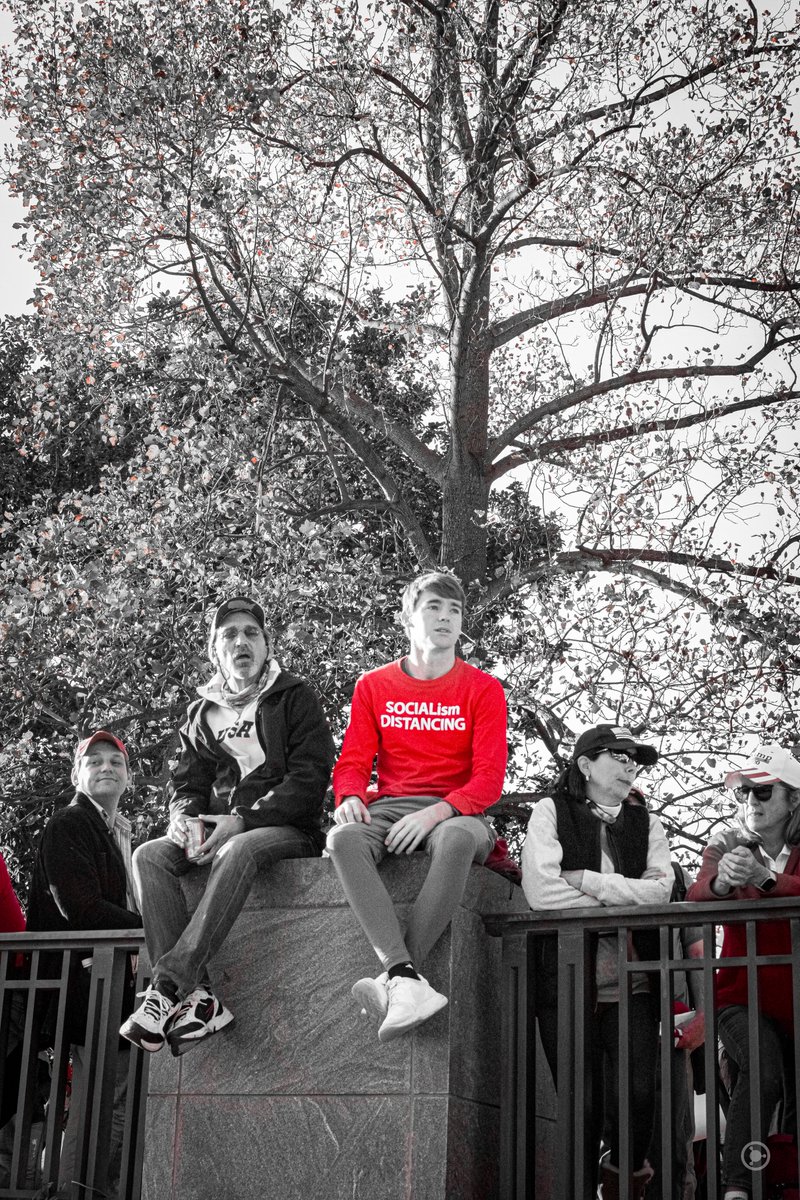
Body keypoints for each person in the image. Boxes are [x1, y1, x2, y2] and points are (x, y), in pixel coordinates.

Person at [122, 596, 335, 1056]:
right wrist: (182, 820)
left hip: (285, 831)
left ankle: (168, 987)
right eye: (229, 635)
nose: (242, 642)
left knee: (236, 850)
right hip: (216, 829)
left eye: (251, 633)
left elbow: (311, 776)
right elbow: (186, 782)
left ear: (266, 644)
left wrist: (242, 821)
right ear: (216, 652)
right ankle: (201, 998)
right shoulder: (202, 713)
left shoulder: (294, 696)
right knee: (149, 856)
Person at [326, 571, 507, 1042]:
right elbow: (351, 762)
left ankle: (400, 976)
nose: (446, 618)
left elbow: (489, 780)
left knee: (455, 840)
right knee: (342, 839)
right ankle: (406, 977)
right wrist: (348, 796)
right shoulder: (373, 685)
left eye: (455, 611)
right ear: (408, 619)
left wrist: (438, 811)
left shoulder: (483, 689)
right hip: (388, 807)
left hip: (459, 812)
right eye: (434, 608)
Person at [521, 724, 672, 1199]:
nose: (631, 765)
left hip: (635, 982)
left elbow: (661, 892)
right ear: (585, 765)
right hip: (565, 980)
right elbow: (541, 892)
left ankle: (624, 1178)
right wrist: (626, 897)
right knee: (580, 1107)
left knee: (640, 1096)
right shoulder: (549, 810)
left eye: (636, 759)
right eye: (619, 755)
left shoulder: (647, 821)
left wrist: (586, 880)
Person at [27, 729, 141, 1199]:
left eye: (115, 761)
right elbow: (83, 908)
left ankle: (84, 1188)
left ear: (130, 777)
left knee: (108, 1103)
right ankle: (74, 1192)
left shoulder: (115, 830)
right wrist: (154, 926)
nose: (106, 768)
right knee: (97, 1106)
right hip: (85, 986)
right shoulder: (71, 823)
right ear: (76, 774)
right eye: (93, 762)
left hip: (112, 985)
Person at [687, 743, 800, 1200]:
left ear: (793, 799)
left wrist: (766, 878)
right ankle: (738, 1188)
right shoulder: (725, 843)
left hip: (795, 996)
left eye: (762, 790)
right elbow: (695, 897)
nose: (750, 800)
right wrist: (722, 881)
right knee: (762, 1066)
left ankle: (786, 1186)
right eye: (742, 792)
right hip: (739, 994)